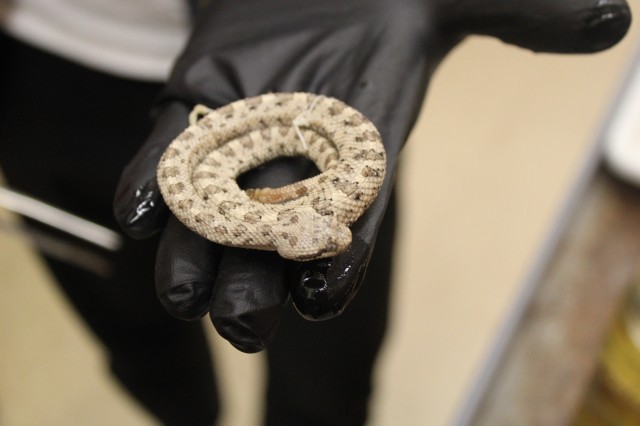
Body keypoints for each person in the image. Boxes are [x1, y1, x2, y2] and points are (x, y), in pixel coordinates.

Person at [0, 0, 632, 424]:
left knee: (328, 356)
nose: (331, 234)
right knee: (137, 322)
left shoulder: (320, 211)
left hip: (326, 35)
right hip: (44, 61)